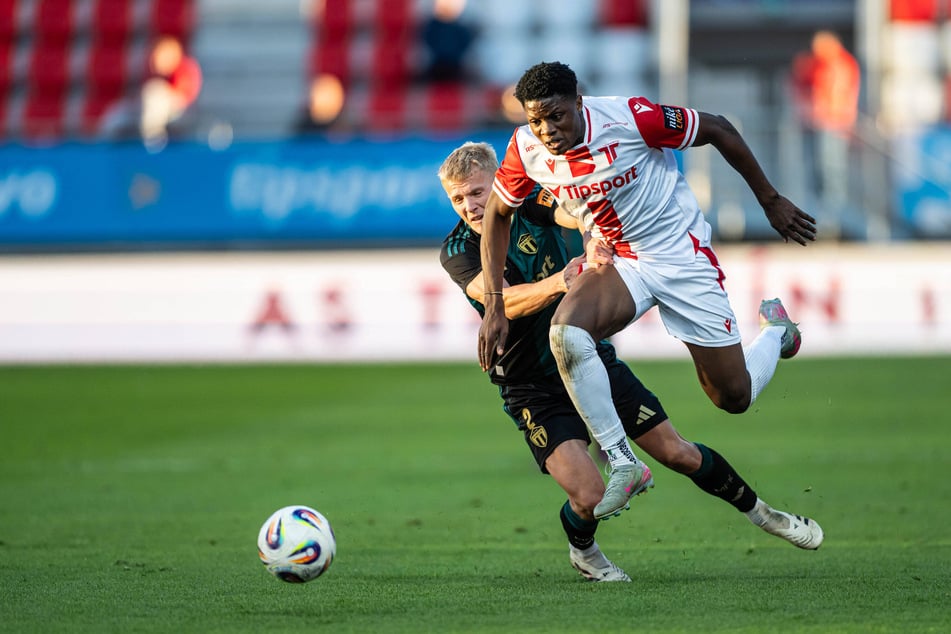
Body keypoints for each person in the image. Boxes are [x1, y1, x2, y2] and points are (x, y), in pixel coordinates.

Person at [439, 141, 823, 582]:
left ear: (499, 183)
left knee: (678, 453)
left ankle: (764, 515)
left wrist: (591, 238)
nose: (469, 205)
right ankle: (584, 552)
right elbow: (499, 300)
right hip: (531, 384)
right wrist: (563, 280)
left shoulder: (529, 201)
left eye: (477, 192)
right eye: (458, 198)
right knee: (590, 494)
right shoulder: (458, 249)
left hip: (588, 360)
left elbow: (570, 211)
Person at [477, 62, 817, 519]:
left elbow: (719, 129)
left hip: (680, 258)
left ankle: (776, 332)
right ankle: (623, 461)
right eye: (536, 120)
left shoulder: (632, 118)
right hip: (622, 261)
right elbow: (498, 213)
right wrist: (495, 306)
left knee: (732, 398)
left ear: (578, 102)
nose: (546, 130)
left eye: (556, 116)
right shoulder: (525, 148)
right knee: (567, 332)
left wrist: (771, 200)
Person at [790, 30, 860, 222]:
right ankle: (816, 209)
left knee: (832, 168)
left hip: (833, 123)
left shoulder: (841, 64)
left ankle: (834, 212)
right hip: (814, 123)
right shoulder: (811, 64)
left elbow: (839, 94)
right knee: (814, 168)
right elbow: (800, 88)